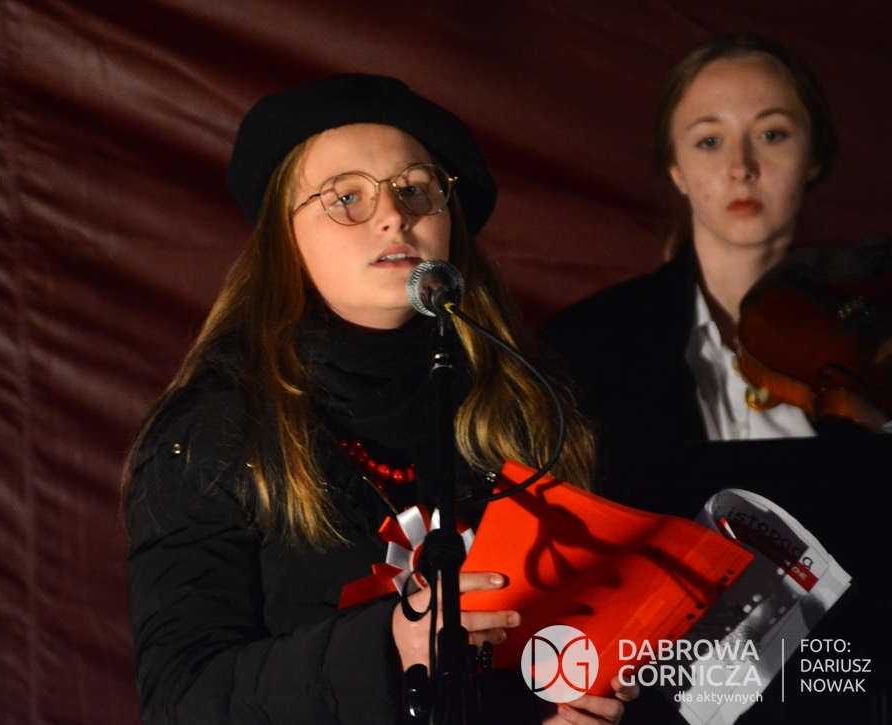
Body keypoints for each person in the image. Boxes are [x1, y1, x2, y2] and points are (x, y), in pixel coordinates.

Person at [124, 74, 636, 724]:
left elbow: (574, 636)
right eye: (346, 197)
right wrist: (386, 646)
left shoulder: (531, 404)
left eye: (416, 189)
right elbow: (180, 699)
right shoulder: (212, 431)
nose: (395, 214)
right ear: (284, 239)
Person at [539, 34, 842, 491]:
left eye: (772, 134)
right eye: (710, 141)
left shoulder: (875, 340)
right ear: (676, 169)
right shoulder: (583, 346)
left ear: (813, 157)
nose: (741, 167)